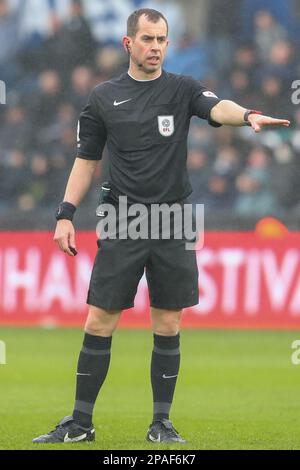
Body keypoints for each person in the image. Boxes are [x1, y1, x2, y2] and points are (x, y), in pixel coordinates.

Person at [33, 8, 290, 444]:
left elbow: (216, 106)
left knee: (168, 324)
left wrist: (247, 115)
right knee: (99, 321)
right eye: (148, 39)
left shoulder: (182, 89)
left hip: (173, 219)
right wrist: (65, 213)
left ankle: (161, 424)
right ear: (128, 44)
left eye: (162, 39)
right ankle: (80, 424)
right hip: (121, 218)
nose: (155, 47)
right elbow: (86, 161)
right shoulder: (101, 98)